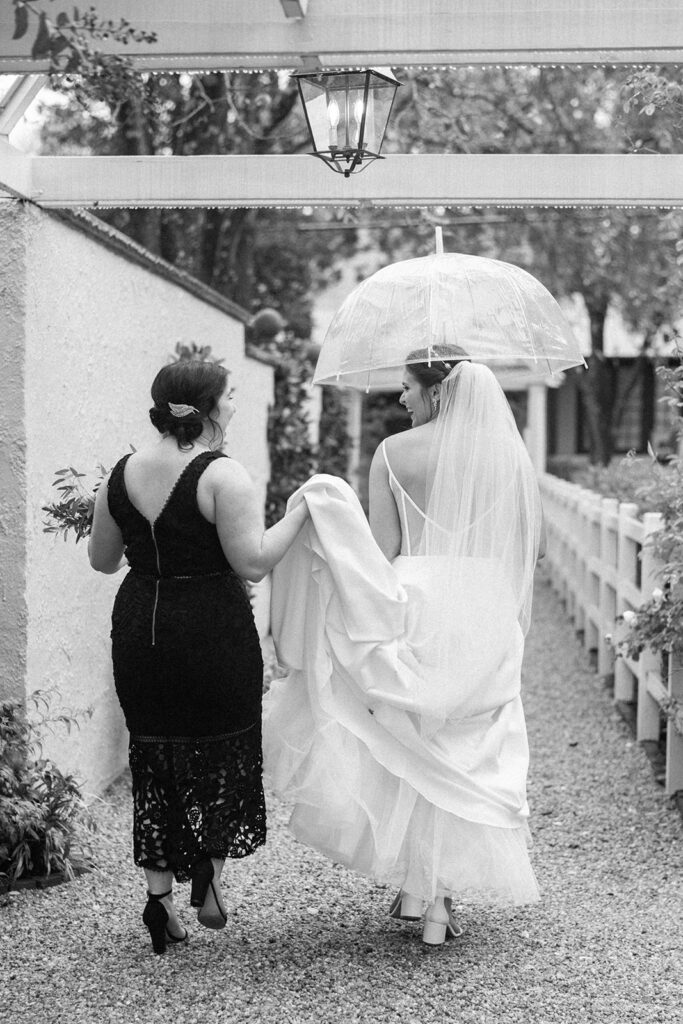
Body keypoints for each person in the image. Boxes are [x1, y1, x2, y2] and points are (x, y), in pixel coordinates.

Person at [263, 348, 543, 946]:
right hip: (485, 605)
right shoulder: (509, 456)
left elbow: (383, 549)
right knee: (465, 748)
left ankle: (422, 891)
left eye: (407, 387)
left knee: (413, 742)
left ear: (436, 391)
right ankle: (432, 898)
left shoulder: (393, 454)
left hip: (419, 601)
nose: (400, 399)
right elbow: (532, 549)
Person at [89, 359, 308, 954]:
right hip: (213, 628)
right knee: (223, 746)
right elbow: (253, 561)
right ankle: (209, 872)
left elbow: (103, 562)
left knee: (154, 754)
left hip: (142, 629)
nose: (234, 404)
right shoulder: (223, 475)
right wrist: (300, 514)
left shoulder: (121, 474)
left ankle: (160, 901)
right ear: (209, 409)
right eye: (229, 397)